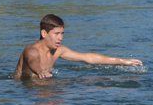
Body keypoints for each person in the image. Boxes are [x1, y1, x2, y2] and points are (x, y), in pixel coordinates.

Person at [14, 14, 143, 80]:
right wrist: (40, 71)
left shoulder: (58, 50)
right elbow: (33, 61)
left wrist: (123, 61)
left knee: (89, 81)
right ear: (44, 33)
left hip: (46, 89)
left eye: (62, 34)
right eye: (56, 34)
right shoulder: (31, 51)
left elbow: (88, 58)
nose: (60, 38)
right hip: (27, 95)